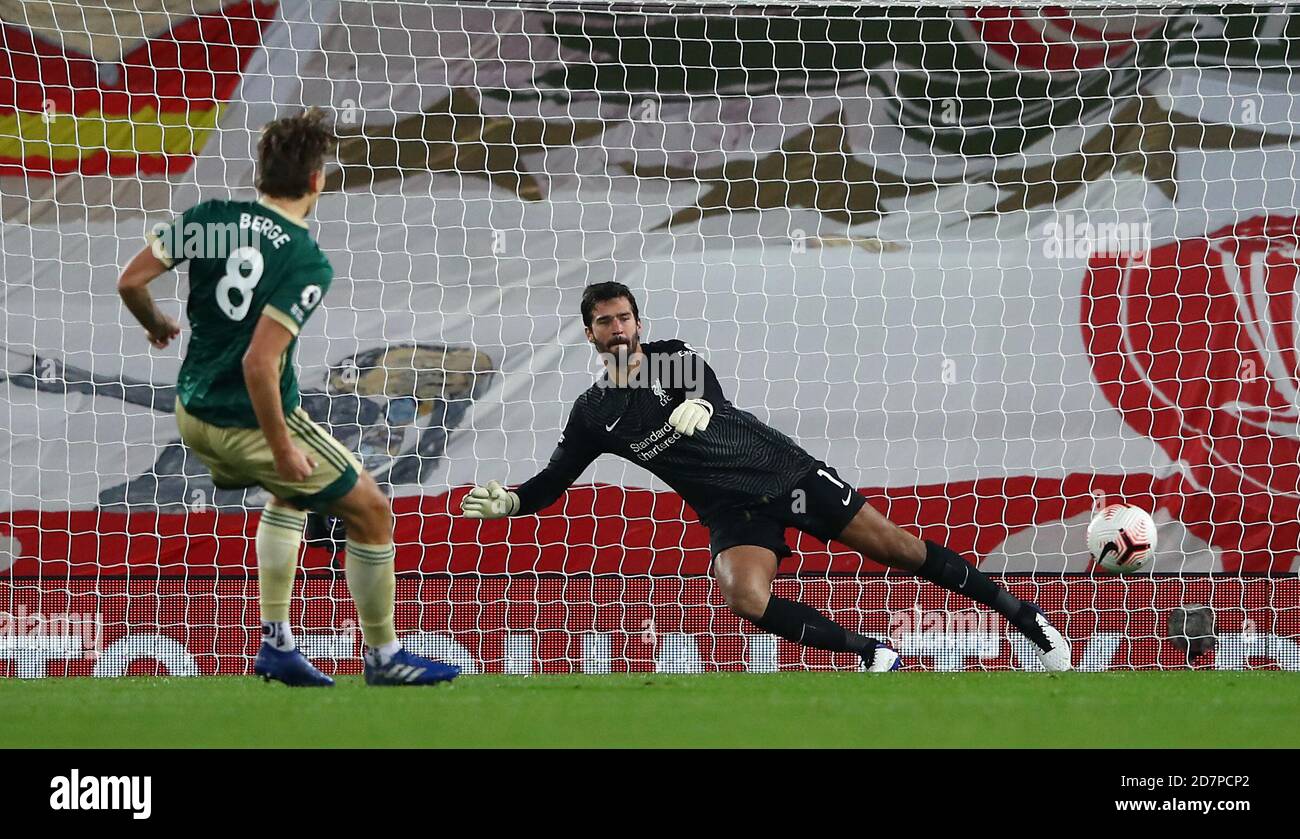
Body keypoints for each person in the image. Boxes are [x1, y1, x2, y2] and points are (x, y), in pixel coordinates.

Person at [462, 281, 1071, 672]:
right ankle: (872, 655)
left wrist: (700, 404)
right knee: (745, 596)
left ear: (639, 323)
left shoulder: (674, 358)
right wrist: (511, 502)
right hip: (731, 512)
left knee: (904, 552)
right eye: (606, 322)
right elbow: (552, 481)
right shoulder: (593, 414)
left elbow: (704, 386)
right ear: (589, 332)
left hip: (786, 475)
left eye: (625, 318)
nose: (619, 329)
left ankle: (1023, 616)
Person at [115, 108, 458, 686]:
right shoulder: (304, 260)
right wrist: (280, 447)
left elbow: (130, 281)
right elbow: (259, 363)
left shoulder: (209, 219)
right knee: (372, 510)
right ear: (317, 180)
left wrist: (156, 323)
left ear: (260, 172)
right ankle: (384, 657)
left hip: (193, 410)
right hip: (248, 419)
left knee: (291, 497)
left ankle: (277, 646)